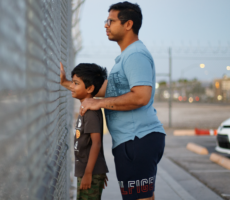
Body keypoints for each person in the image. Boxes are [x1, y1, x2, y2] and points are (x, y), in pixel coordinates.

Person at [61, 2, 165, 200]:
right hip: (131, 141)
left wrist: (98, 103)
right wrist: (66, 82)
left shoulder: (135, 55)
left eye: (111, 21)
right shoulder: (125, 58)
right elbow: (96, 89)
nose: (105, 25)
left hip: (138, 139)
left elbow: (141, 96)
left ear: (128, 24)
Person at [61, 63, 109, 200]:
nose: (72, 86)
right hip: (89, 170)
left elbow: (97, 143)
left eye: (76, 83)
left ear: (89, 88)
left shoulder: (91, 112)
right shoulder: (86, 108)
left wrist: (90, 173)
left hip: (90, 171)